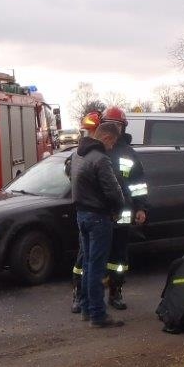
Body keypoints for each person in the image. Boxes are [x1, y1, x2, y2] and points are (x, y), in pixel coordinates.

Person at [70, 121, 126, 328]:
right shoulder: (101, 159)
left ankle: (86, 308)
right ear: (107, 138)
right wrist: (118, 209)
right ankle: (98, 315)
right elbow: (113, 191)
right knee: (96, 266)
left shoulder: (77, 155)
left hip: (82, 215)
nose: (113, 147)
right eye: (114, 142)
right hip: (99, 217)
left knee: (86, 264)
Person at [99, 106, 149, 310]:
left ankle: (115, 291)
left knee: (119, 257)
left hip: (122, 214)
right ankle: (84, 293)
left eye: (118, 125)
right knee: (92, 255)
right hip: (99, 213)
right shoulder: (95, 148)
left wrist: (141, 208)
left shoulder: (128, 154)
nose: (114, 129)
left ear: (123, 127)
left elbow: (138, 184)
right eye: (109, 124)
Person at [69, 110, 103, 312]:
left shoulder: (83, 154)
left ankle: (91, 300)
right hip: (96, 213)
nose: (89, 135)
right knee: (89, 260)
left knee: (97, 259)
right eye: (87, 131)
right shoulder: (83, 154)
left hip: (92, 212)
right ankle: (86, 301)